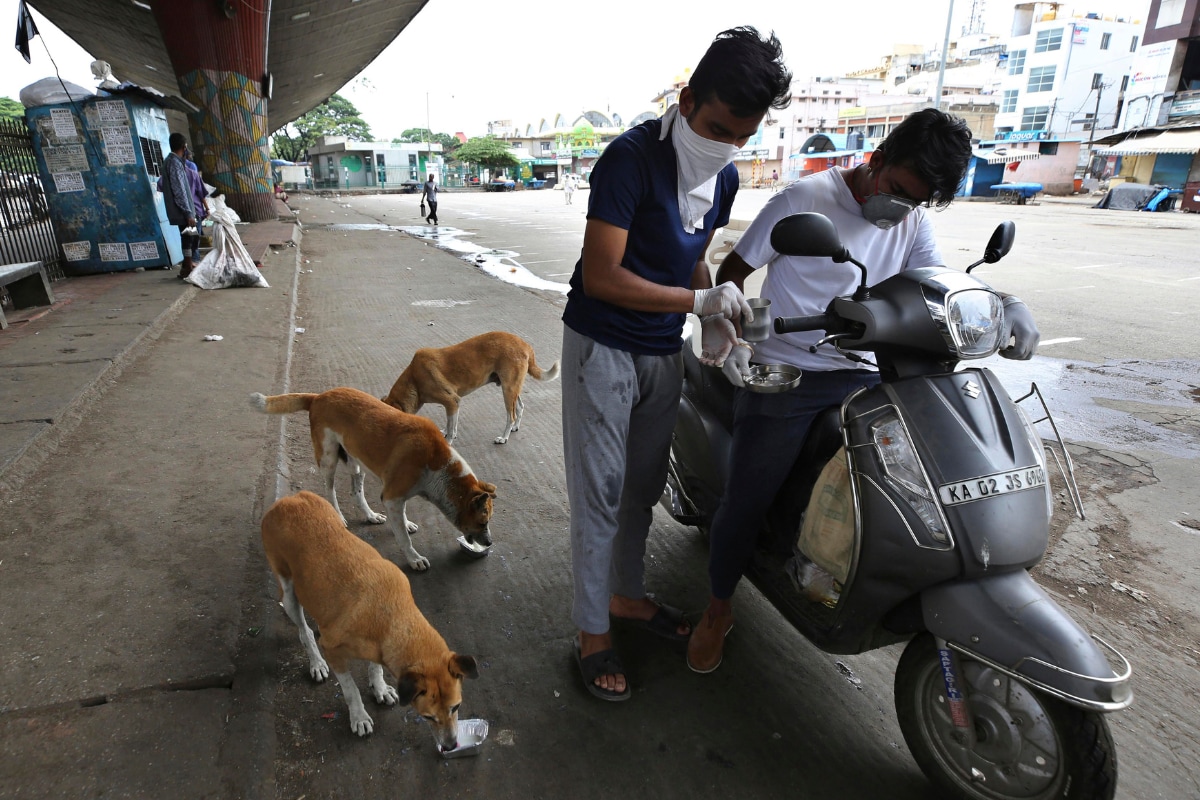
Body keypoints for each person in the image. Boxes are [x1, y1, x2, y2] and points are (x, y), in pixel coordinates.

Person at [685, 107, 1043, 674]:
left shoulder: (912, 221)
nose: (901, 208)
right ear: (878, 159)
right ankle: (717, 607)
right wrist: (726, 327)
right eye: (899, 190)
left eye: (917, 201)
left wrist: (1004, 303)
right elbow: (733, 271)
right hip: (791, 371)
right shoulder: (801, 198)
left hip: (869, 371)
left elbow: (932, 285)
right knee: (746, 500)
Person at [561, 26, 792, 701]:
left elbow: (695, 254)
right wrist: (697, 298)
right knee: (599, 493)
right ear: (687, 99)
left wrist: (713, 307)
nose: (727, 146)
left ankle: (626, 597)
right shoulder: (629, 160)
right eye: (718, 125)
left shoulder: (719, 177)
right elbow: (602, 276)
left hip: (662, 348)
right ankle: (589, 631)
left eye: (742, 138)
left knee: (640, 488)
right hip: (603, 344)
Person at [161, 132, 197, 279]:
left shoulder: (171, 161)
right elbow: (179, 190)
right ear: (184, 146)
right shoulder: (174, 163)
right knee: (189, 237)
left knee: (188, 236)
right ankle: (188, 265)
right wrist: (188, 212)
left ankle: (185, 265)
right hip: (182, 210)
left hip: (180, 209)